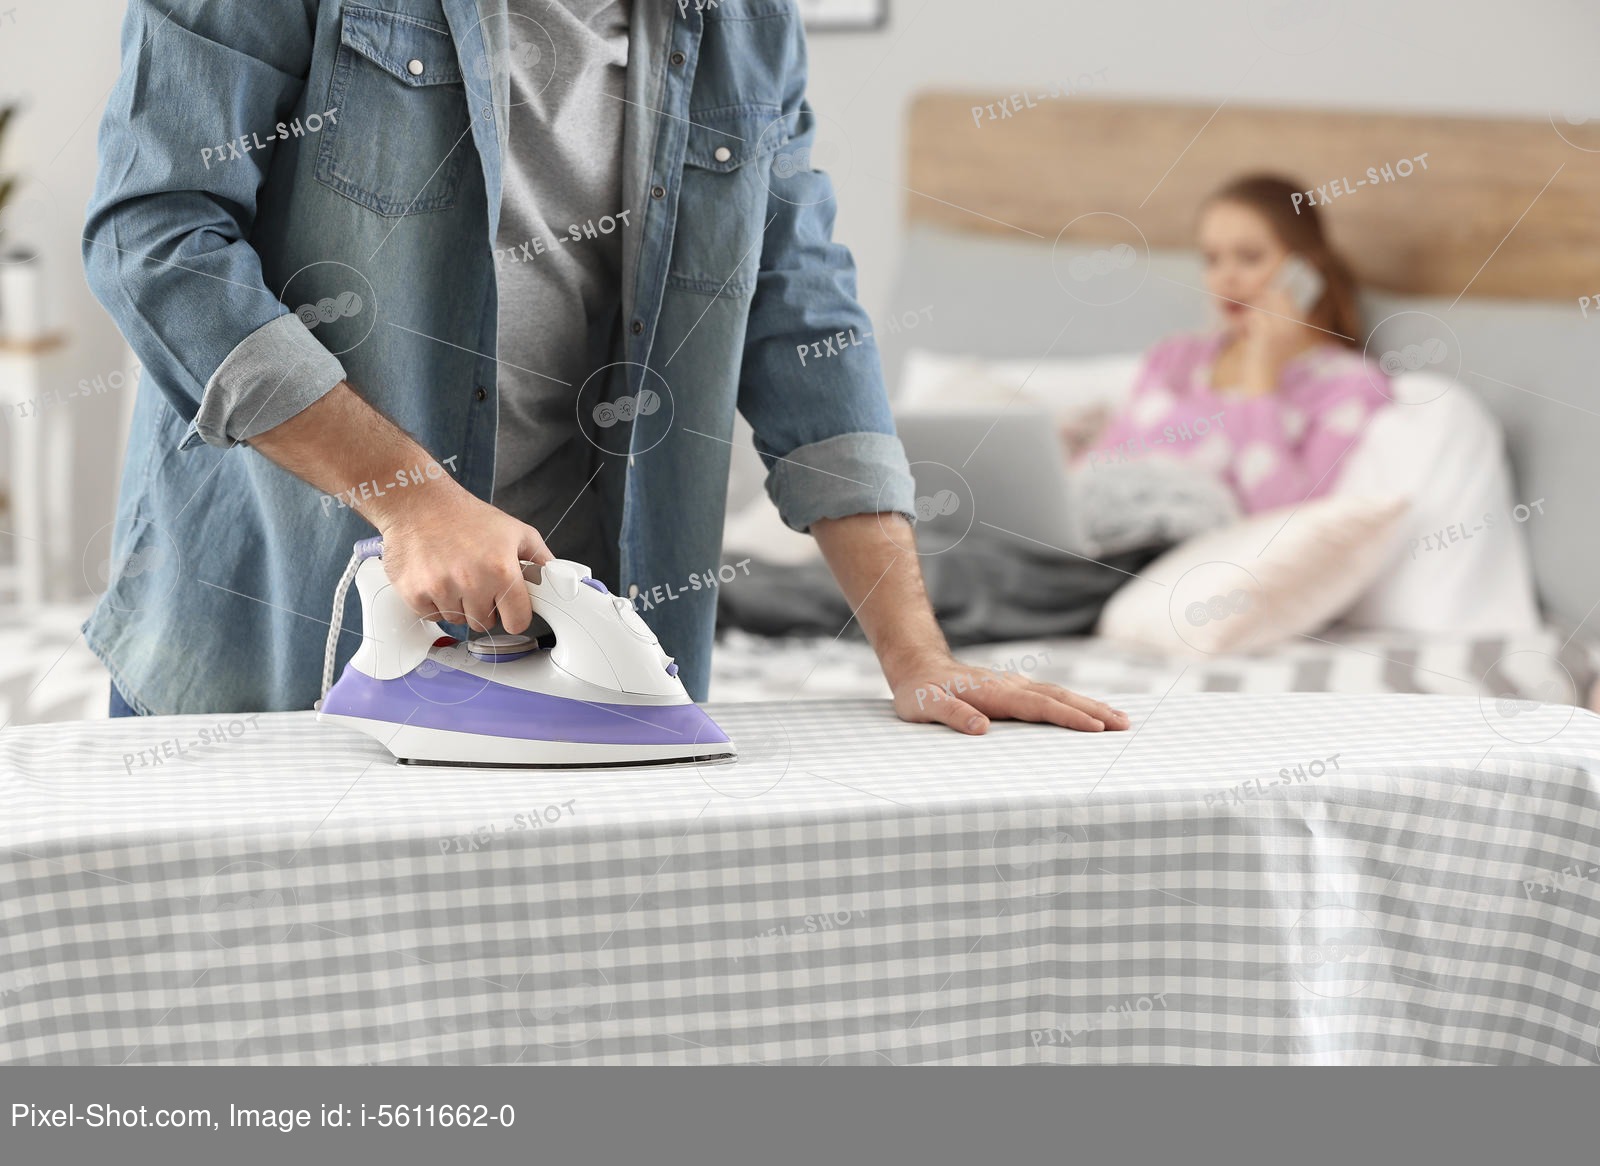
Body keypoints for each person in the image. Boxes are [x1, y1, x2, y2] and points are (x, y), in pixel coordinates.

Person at [83, 0, 1127, 737]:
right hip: (263, 631)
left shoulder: (746, 25)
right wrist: (414, 502)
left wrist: (915, 653)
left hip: (573, 663)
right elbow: (156, 238)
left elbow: (799, 310)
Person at [1081, 174, 1389, 513]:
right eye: (1212, 259)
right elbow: (1097, 465)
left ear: (1306, 271)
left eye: (1249, 257)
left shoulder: (1350, 386)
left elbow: (1282, 515)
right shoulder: (1174, 357)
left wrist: (1261, 377)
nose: (1226, 276)